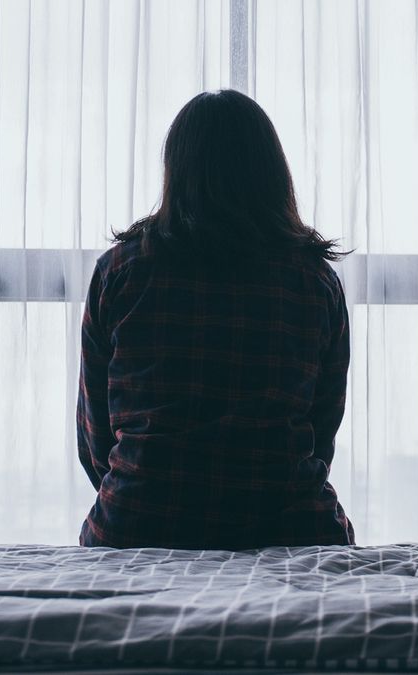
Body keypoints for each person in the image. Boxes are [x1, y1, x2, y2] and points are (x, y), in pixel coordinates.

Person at [77, 90, 355, 550]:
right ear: (272, 172)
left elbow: (96, 438)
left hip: (136, 522)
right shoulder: (314, 280)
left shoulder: (119, 272)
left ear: (176, 171)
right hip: (292, 526)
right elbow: (321, 428)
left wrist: (147, 485)